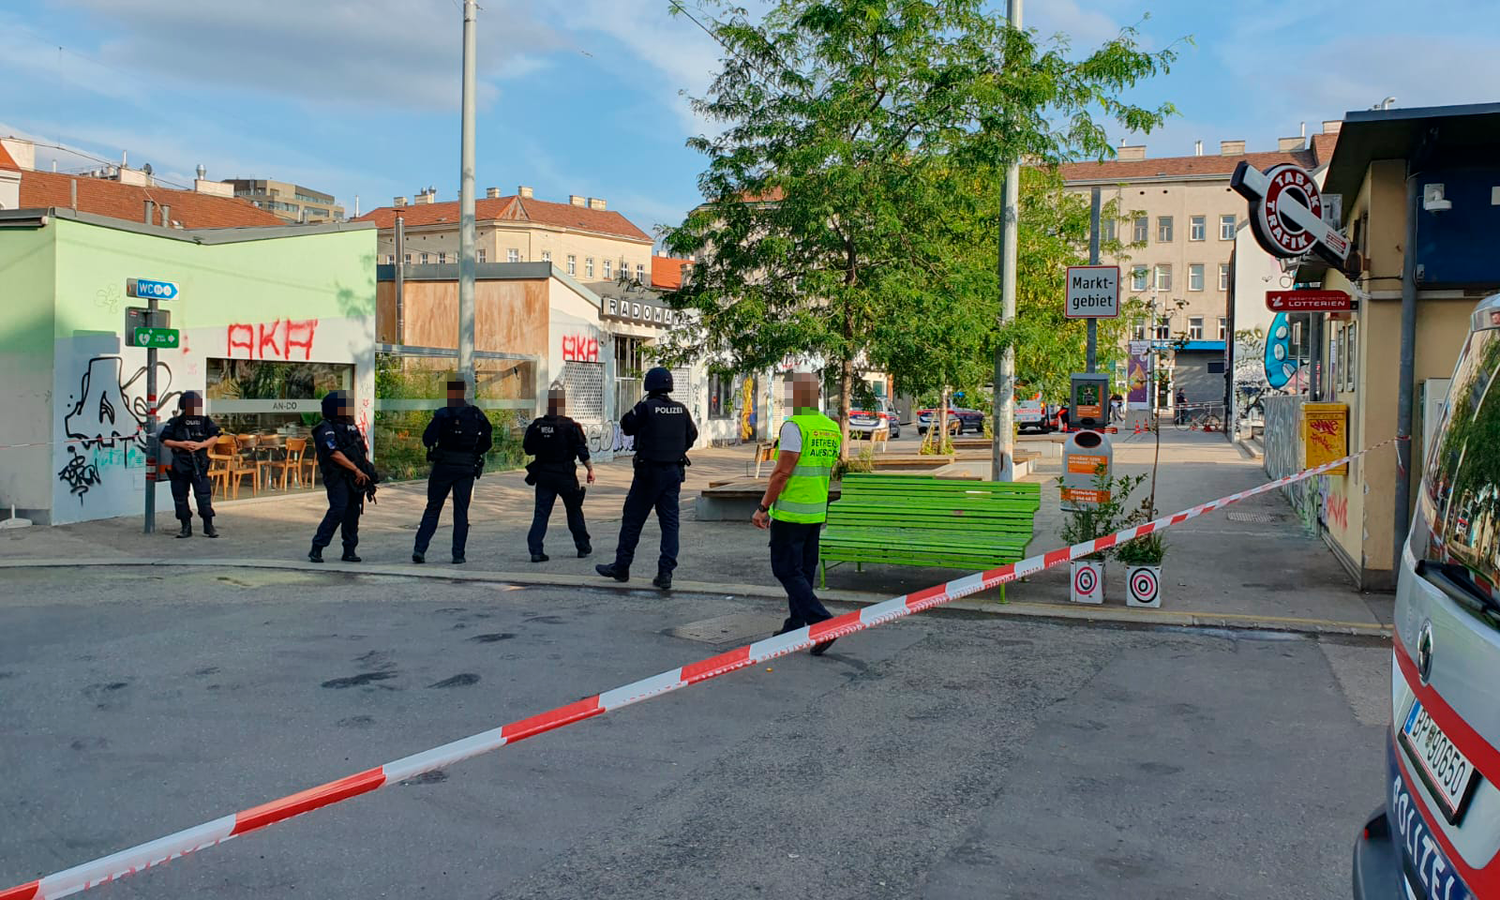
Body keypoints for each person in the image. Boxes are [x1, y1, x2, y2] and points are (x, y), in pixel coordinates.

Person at [752, 372, 841, 656]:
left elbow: (782, 472)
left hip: (791, 512)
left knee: (785, 569)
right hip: (815, 510)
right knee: (803, 570)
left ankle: (822, 622)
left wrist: (763, 507)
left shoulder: (795, 426)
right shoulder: (830, 427)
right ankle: (796, 624)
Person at [596, 366, 697, 589]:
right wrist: (675, 451)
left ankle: (621, 567)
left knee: (633, 520)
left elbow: (626, 425)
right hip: (673, 473)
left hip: (648, 474)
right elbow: (692, 436)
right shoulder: (681, 409)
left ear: (649, 385)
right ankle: (665, 573)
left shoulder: (646, 407)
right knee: (670, 524)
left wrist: (639, 407)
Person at [412, 379, 492, 565]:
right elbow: (487, 441)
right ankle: (458, 554)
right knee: (461, 512)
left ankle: (419, 549)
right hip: (466, 467)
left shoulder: (442, 414)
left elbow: (427, 439)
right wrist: (473, 453)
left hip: (443, 466)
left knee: (433, 508)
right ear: (463, 393)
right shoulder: (476, 414)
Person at [523, 387, 595, 563]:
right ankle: (583, 546)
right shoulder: (570, 426)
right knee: (574, 510)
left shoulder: (537, 425)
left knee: (541, 513)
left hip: (544, 474)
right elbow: (581, 450)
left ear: (548, 404)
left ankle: (536, 551)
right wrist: (590, 469)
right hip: (565, 475)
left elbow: (528, 448)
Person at [309, 390, 377, 563]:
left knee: (353, 512)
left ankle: (349, 550)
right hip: (337, 476)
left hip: (355, 477)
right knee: (338, 509)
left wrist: (365, 470)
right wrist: (356, 470)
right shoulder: (325, 428)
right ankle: (317, 547)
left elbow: (360, 449)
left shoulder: (350, 425)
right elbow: (334, 454)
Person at [157, 390, 220, 539]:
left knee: (203, 496)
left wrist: (201, 445)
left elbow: (215, 437)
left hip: (199, 464)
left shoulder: (204, 421)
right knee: (180, 497)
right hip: (181, 464)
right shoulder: (175, 422)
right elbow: (165, 440)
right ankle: (185, 527)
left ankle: (208, 526)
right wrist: (182, 444)